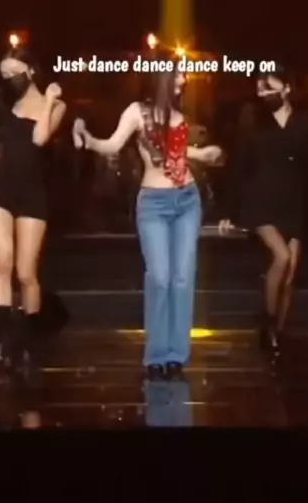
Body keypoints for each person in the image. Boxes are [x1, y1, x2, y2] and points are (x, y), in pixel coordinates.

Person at [72, 57, 222, 380]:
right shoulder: (137, 112)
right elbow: (113, 143)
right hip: (153, 203)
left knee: (183, 278)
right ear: (163, 76)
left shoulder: (179, 116)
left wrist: (203, 154)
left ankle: (176, 355)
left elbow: (176, 155)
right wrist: (88, 139)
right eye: (179, 75)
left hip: (187, 200)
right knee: (160, 276)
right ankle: (156, 354)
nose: (183, 80)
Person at [219, 66, 308, 355]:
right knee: (281, 257)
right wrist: (228, 211)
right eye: (260, 90)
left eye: (270, 88)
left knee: (291, 274)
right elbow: (239, 167)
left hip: (292, 202)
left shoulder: (303, 121)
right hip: (260, 202)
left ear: (286, 89)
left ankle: (278, 333)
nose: (264, 94)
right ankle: (268, 324)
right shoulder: (255, 123)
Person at [0, 46, 66, 380]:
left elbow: (40, 137)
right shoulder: (4, 105)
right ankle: (5, 343)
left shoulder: (55, 105)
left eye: (13, 72)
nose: (8, 79)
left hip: (32, 193)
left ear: (29, 70)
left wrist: (49, 100)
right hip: (0, 191)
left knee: (26, 273)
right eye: (3, 74)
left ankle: (28, 341)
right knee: (1, 260)